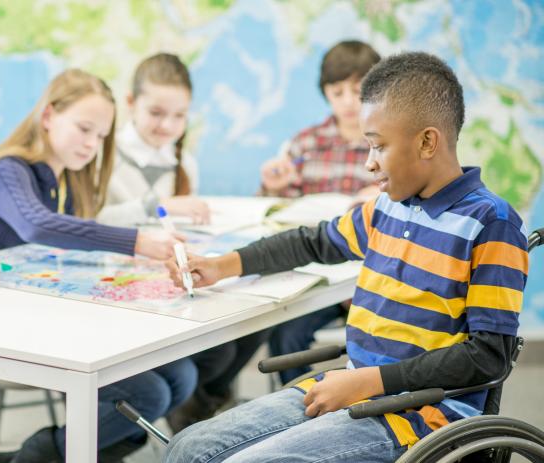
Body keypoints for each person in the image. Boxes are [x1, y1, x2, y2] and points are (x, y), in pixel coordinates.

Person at [163, 52, 528, 462]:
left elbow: (488, 357)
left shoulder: (491, 223)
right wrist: (220, 265)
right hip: (354, 387)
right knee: (187, 447)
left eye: (378, 146)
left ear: (427, 141)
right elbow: (313, 242)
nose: (369, 163)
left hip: (420, 418)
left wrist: (370, 382)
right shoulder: (387, 207)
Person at [0, 69, 196, 463]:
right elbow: (37, 224)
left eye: (101, 136)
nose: (92, 144)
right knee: (149, 394)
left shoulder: (70, 179)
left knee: (181, 377)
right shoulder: (8, 170)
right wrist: (136, 242)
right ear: (47, 117)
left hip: (60, 316)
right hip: (6, 323)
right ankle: (30, 459)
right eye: (83, 128)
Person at [261, 40, 382, 384]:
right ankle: (296, 412)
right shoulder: (305, 143)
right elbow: (279, 215)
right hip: (316, 273)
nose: (347, 101)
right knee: (285, 337)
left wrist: (381, 198)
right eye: (337, 91)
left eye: (357, 91)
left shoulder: (387, 143)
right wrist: (273, 186)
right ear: (325, 92)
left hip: (369, 277)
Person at [97, 52, 210, 226]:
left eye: (179, 115)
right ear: (130, 103)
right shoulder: (102, 154)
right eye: (156, 113)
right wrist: (155, 206)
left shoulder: (186, 164)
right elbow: (88, 219)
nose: (167, 125)